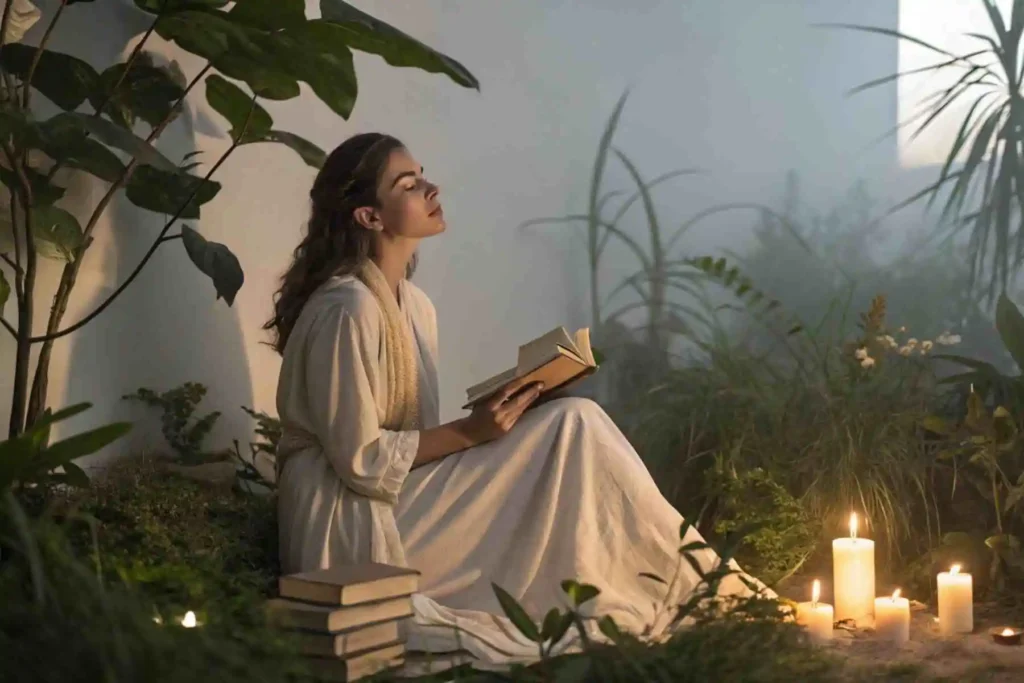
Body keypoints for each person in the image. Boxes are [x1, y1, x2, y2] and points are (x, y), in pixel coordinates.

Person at [265, 133, 767, 667]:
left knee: (567, 422)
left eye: (423, 175)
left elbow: (410, 445)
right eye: (409, 184)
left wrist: (505, 414)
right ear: (369, 216)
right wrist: (474, 433)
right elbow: (362, 460)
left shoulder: (415, 306)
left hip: (396, 496)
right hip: (349, 523)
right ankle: (702, 586)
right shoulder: (348, 308)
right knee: (574, 422)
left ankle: (685, 582)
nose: (431, 188)